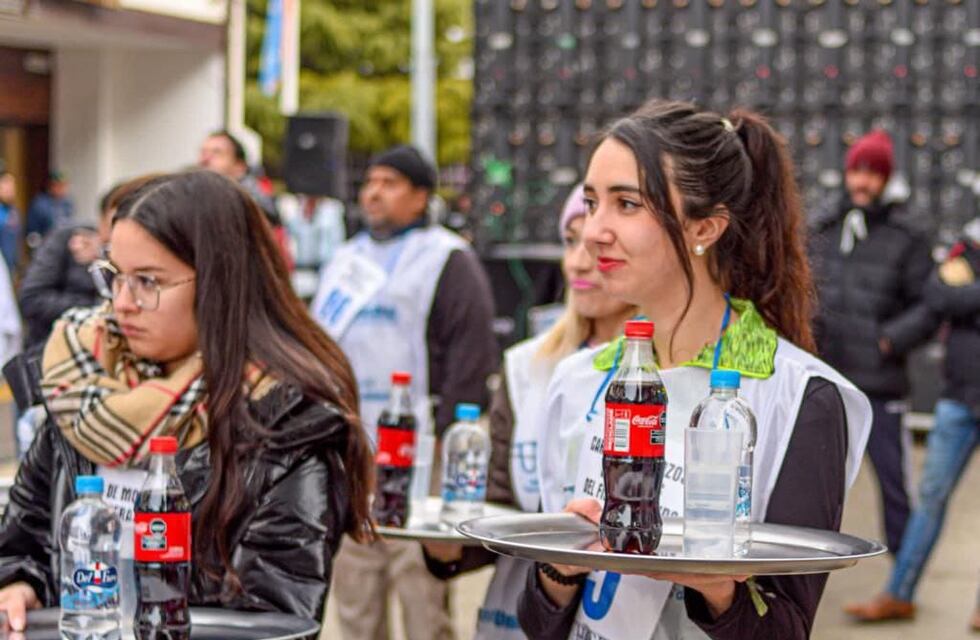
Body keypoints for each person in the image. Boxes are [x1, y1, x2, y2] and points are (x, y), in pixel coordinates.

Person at [517, 100, 873, 640]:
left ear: (705, 227)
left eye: (627, 204)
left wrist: (717, 589)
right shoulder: (576, 381)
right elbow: (540, 621)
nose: (593, 232)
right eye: (591, 203)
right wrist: (558, 571)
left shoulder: (798, 396)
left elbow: (787, 629)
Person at [0, 170, 375, 632]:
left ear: (220, 284)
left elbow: (274, 620)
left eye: (148, 282)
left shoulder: (285, 422)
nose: (122, 303)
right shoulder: (80, 381)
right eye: (114, 276)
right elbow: (24, 538)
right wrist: (18, 584)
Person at [421, 184, 637, 638]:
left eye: (596, 245)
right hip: (518, 619)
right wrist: (444, 543)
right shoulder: (527, 365)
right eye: (570, 241)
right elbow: (502, 506)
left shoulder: (667, 372)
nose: (578, 262)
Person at [312, 144, 498, 640]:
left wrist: (448, 436)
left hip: (422, 449)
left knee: (419, 586)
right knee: (354, 585)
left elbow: (471, 351)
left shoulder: (446, 257)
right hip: (354, 448)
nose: (374, 192)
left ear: (420, 196)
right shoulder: (345, 260)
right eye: (370, 181)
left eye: (390, 183)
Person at [845, 218, 980, 625]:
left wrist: (967, 298)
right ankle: (899, 593)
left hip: (959, 396)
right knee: (930, 498)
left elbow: (956, 300)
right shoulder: (965, 246)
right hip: (959, 399)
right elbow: (940, 297)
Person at [809, 129, 935, 558]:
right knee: (814, 485)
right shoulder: (823, 226)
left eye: (872, 173)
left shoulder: (908, 235)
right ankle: (804, 569)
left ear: (886, 178)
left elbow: (929, 304)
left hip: (880, 385)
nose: (862, 182)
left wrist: (888, 340)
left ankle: (904, 579)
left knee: (895, 487)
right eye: (857, 171)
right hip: (827, 383)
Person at [18, 177, 159, 353]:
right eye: (116, 222)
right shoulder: (68, 239)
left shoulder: (138, 256)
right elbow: (31, 297)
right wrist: (96, 307)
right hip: (53, 351)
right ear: (103, 220)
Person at [25, 171, 73, 251]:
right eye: (58, 185)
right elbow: (32, 233)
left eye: (64, 185)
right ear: (51, 186)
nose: (62, 189)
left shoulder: (67, 203)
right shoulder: (39, 204)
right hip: (45, 248)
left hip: (63, 248)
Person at [0, 172, 21, 274]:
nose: (10, 190)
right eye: (6, 185)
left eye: (12, 185)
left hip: (10, 268)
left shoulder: (14, 212)